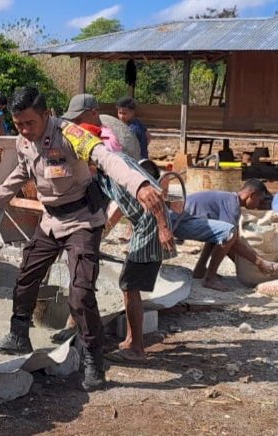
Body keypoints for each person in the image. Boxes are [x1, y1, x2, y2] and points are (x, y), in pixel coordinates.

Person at [0, 87, 165, 391]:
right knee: (26, 277)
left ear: (47, 114)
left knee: (79, 293)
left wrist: (140, 184)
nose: (25, 130)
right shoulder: (26, 141)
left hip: (82, 221)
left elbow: (106, 158)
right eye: (19, 124)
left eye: (30, 123)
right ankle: (18, 334)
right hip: (50, 220)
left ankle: (93, 358)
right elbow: (22, 171)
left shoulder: (72, 134)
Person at [62, 93, 175, 361]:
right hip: (143, 223)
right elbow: (116, 206)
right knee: (129, 283)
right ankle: (130, 340)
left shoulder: (116, 163)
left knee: (128, 282)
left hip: (150, 222)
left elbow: (154, 193)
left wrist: (162, 228)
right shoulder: (101, 174)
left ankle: (136, 348)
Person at [175, 178, 278, 291]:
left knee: (218, 233)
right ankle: (209, 278)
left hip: (180, 220)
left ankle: (200, 270)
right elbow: (232, 241)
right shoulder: (232, 206)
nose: (258, 205)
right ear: (252, 195)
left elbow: (225, 242)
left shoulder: (229, 199)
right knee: (228, 234)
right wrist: (260, 263)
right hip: (179, 224)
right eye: (259, 200)